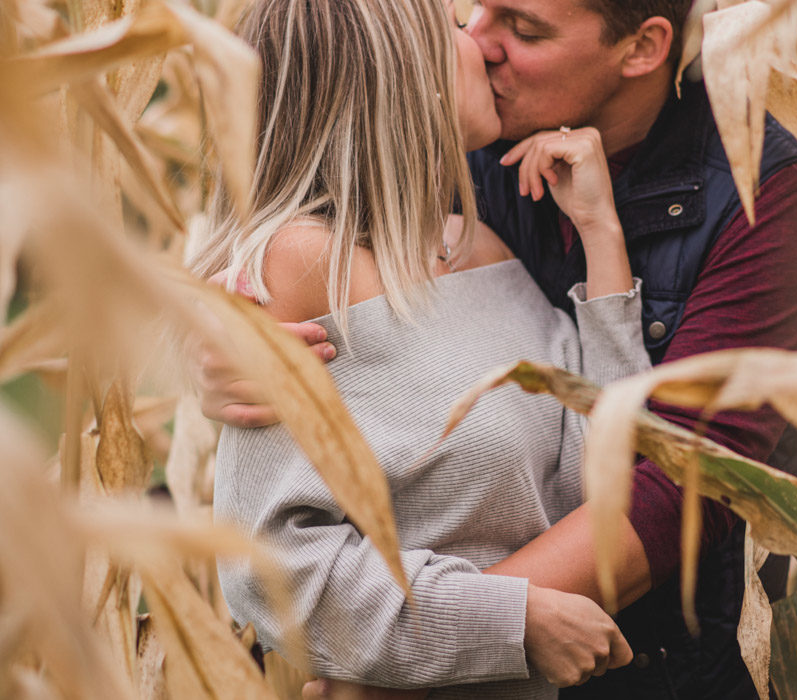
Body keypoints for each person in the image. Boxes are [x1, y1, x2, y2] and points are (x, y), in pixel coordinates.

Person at [202, 0, 797, 697]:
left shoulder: (768, 202)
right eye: (470, 12)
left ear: (641, 48)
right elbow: (267, 556)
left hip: (663, 671)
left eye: (524, 29)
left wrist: (408, 677)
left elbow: (672, 480)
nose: (481, 42)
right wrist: (210, 344)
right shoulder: (456, 173)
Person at [193, 0, 658, 697]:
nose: (481, 41)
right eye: (453, 26)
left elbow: (605, 468)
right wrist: (510, 618)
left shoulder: (475, 246)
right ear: (403, 73)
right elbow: (269, 571)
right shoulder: (299, 268)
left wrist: (601, 234)